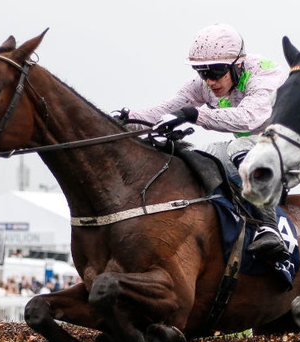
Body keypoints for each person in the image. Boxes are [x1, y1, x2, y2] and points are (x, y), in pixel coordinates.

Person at [124, 23, 290, 263]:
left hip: (289, 148)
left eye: (216, 71)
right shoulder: (204, 85)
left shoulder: (264, 75)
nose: (210, 81)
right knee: (202, 155)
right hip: (254, 153)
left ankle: (269, 226)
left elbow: (248, 118)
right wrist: (124, 120)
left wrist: (195, 115)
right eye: (203, 72)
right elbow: (166, 109)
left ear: (238, 63)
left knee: (238, 148)